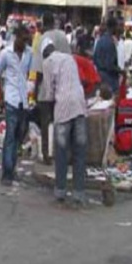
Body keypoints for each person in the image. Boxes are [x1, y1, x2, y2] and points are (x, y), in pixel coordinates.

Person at [41, 40, 88, 206]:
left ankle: (60, 191)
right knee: (79, 152)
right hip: (80, 106)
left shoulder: (47, 63)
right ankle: (79, 193)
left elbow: (49, 92)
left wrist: (48, 115)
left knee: (61, 152)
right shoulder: (69, 58)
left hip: (63, 109)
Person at [0, 24, 32, 186]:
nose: (24, 43)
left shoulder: (29, 53)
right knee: (10, 136)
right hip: (10, 99)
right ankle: (6, 173)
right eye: (23, 40)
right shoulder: (6, 53)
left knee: (18, 136)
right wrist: (0, 97)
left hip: (23, 100)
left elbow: (27, 74)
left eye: (26, 40)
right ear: (16, 38)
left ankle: (13, 169)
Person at [32, 12, 71, 166]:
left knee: (45, 122)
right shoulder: (62, 37)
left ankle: (46, 154)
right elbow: (69, 60)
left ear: (43, 23)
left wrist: (36, 91)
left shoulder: (42, 40)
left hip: (46, 88)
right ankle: (62, 153)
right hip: (61, 85)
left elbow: (39, 70)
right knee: (61, 121)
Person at [93, 18, 120, 93]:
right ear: (113, 27)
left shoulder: (100, 41)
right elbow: (110, 65)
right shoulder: (110, 43)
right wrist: (121, 71)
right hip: (110, 80)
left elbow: (94, 59)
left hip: (100, 77)